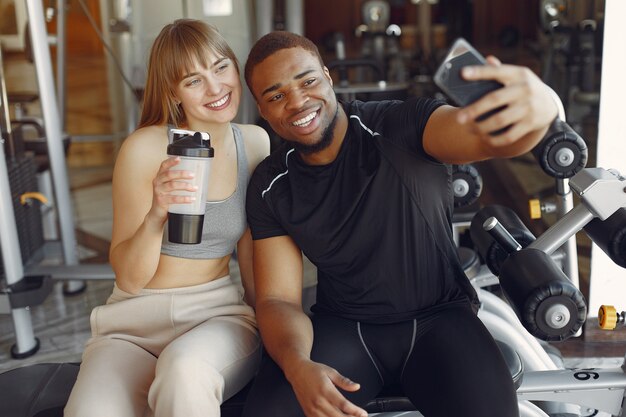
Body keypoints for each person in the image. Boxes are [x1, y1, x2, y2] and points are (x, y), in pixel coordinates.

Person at [240, 31, 559, 417]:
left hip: (440, 321)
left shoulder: (401, 125)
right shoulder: (272, 184)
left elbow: (485, 138)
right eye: (275, 96)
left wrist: (541, 106)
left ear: (327, 75)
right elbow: (277, 300)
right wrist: (297, 365)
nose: (296, 102)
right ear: (261, 108)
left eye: (307, 81)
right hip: (345, 329)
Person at [65, 19, 269, 417]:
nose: (215, 88)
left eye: (220, 67)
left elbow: (252, 256)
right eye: (192, 80)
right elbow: (129, 278)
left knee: (185, 373)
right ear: (173, 93)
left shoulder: (256, 143)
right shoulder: (144, 148)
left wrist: (275, 333)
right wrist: (157, 212)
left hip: (216, 316)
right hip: (130, 325)